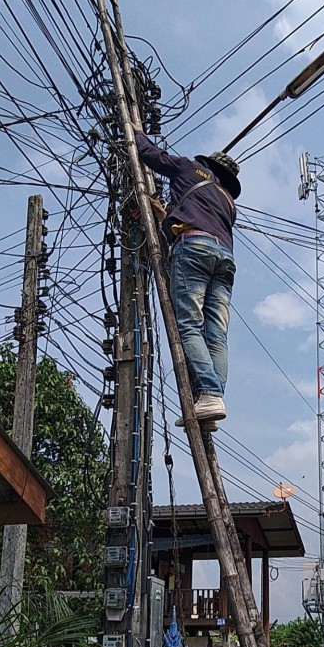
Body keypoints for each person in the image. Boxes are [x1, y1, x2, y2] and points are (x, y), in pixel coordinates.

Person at [132, 124, 240, 431]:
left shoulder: (189, 169)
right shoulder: (227, 202)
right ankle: (212, 397)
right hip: (225, 259)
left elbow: (150, 155)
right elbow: (198, 220)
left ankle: (209, 392)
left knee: (189, 325)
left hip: (194, 249)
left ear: (208, 163)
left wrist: (137, 131)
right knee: (216, 333)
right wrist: (165, 214)